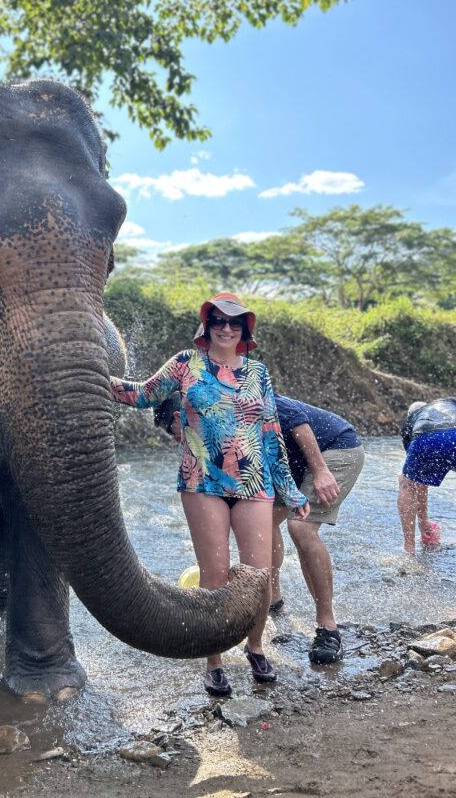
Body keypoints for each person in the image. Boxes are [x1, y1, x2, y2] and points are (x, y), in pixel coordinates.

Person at [111, 292, 309, 698]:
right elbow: (143, 394)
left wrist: (290, 490)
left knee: (258, 576)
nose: (225, 328)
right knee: (214, 574)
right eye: (218, 320)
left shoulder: (258, 372)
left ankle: (256, 648)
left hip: (254, 483)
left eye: (234, 322)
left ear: (244, 329)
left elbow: (271, 432)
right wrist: (92, 374)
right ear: (207, 325)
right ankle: (214, 660)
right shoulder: (186, 363)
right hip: (201, 483)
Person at [270, 396, 365, 664]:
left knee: (300, 527)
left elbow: (296, 418)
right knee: (262, 523)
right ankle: (273, 599)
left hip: (336, 449)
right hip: (295, 462)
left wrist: (321, 470)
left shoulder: (243, 387)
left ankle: (328, 627)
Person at [398, 397, 456, 553]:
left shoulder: (412, 422)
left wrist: (424, 523)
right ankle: (426, 527)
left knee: (407, 483)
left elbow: (416, 482)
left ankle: (409, 548)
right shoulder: (447, 403)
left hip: (428, 437)